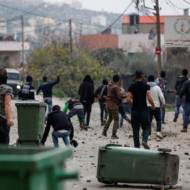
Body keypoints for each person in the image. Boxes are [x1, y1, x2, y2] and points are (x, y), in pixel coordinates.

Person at [127, 71, 155, 149]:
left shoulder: (131, 86)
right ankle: (144, 141)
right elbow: (149, 98)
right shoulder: (146, 86)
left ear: (135, 77)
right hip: (144, 111)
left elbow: (128, 99)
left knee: (135, 130)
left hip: (134, 111)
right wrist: (153, 105)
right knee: (146, 127)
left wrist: (134, 103)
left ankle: (137, 147)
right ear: (142, 76)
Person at [102, 74, 126, 139]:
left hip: (108, 104)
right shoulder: (116, 87)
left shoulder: (110, 86)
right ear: (118, 80)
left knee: (110, 118)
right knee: (116, 119)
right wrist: (125, 96)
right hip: (113, 105)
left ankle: (104, 131)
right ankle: (113, 134)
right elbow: (119, 96)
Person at [147, 75, 165, 141]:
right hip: (157, 106)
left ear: (148, 80)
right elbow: (161, 96)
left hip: (148, 106)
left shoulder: (145, 87)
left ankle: (148, 135)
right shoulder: (157, 87)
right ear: (154, 80)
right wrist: (163, 103)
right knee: (158, 120)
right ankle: (158, 133)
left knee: (149, 121)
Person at [0, 68, 14, 144]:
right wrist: (10, 119)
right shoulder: (6, 89)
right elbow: (7, 105)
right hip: (2, 121)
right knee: (4, 145)